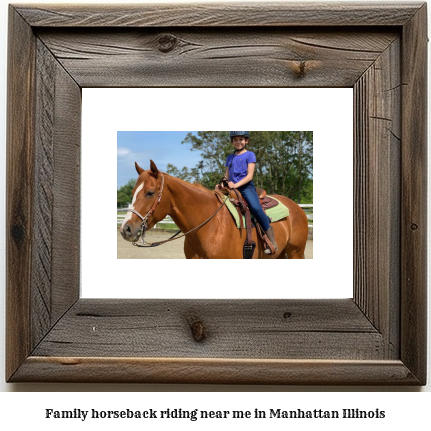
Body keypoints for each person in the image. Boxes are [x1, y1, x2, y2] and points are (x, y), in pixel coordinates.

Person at [222, 131, 278, 254]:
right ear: (232, 142)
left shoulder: (250, 155)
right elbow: (226, 176)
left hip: (246, 188)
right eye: (235, 140)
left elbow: (249, 176)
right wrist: (221, 184)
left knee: (256, 208)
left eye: (241, 139)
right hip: (231, 188)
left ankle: (272, 241)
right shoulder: (229, 157)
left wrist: (235, 185)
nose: (238, 142)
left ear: (246, 141)